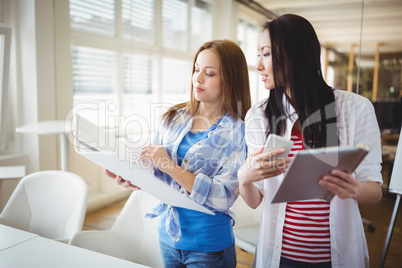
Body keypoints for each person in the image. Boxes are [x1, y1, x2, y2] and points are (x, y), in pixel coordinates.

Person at [237, 14, 382, 268]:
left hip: (336, 257)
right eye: (258, 54)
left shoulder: (354, 108)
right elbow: (254, 199)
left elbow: (375, 191)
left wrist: (354, 189)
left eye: (266, 54)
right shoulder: (259, 116)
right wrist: (244, 177)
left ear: (295, 55)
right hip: (279, 256)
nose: (258, 65)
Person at [107, 39, 251, 267]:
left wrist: (169, 167)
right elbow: (160, 174)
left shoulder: (238, 131)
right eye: (196, 70)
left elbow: (222, 197)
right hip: (168, 237)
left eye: (210, 73)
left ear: (230, 80)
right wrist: (133, 176)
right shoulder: (174, 118)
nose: (198, 78)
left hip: (208, 245)